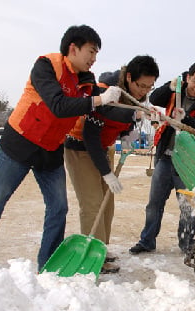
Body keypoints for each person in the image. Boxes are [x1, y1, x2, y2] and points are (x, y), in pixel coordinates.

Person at [0, 25, 121, 271]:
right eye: (91, 51)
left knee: (58, 207)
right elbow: (58, 105)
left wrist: (142, 111)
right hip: (20, 143)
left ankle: (47, 264)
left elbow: (104, 106)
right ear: (73, 48)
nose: (94, 59)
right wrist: (99, 99)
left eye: (96, 54)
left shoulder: (87, 83)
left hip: (51, 150)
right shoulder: (46, 66)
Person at [65, 55, 159, 273]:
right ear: (128, 77)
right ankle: (91, 257)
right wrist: (107, 172)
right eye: (141, 85)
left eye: (149, 87)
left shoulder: (134, 96)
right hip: (81, 147)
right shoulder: (105, 91)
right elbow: (90, 135)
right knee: (92, 204)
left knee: (107, 204)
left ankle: (101, 249)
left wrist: (127, 133)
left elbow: (123, 118)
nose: (144, 91)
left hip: (104, 148)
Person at [129, 62, 195, 255]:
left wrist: (184, 119)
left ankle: (187, 244)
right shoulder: (176, 90)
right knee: (154, 203)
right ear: (188, 77)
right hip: (166, 157)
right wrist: (169, 86)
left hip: (188, 163)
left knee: (187, 206)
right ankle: (147, 240)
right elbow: (154, 98)